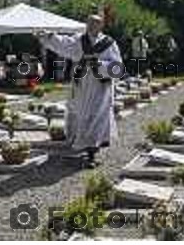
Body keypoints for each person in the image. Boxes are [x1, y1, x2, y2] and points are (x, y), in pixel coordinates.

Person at [37, 14, 123, 168]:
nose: (91, 26)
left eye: (95, 24)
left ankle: (92, 152)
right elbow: (63, 44)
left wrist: (98, 64)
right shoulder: (79, 40)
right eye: (89, 23)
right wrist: (49, 37)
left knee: (96, 116)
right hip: (82, 84)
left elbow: (117, 66)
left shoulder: (109, 43)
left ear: (101, 26)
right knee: (81, 113)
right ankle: (82, 144)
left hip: (100, 86)